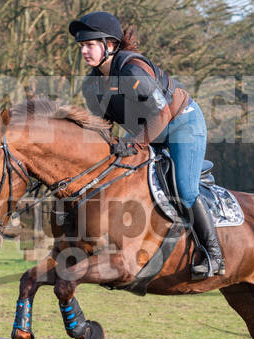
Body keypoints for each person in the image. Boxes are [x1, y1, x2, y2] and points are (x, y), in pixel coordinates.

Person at [69, 11, 224, 278]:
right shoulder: (91, 85)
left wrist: (134, 144)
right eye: (82, 46)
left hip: (181, 124)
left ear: (110, 45)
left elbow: (161, 114)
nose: (84, 51)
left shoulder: (132, 70)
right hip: (149, 132)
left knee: (185, 191)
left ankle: (214, 254)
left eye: (90, 44)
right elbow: (103, 128)